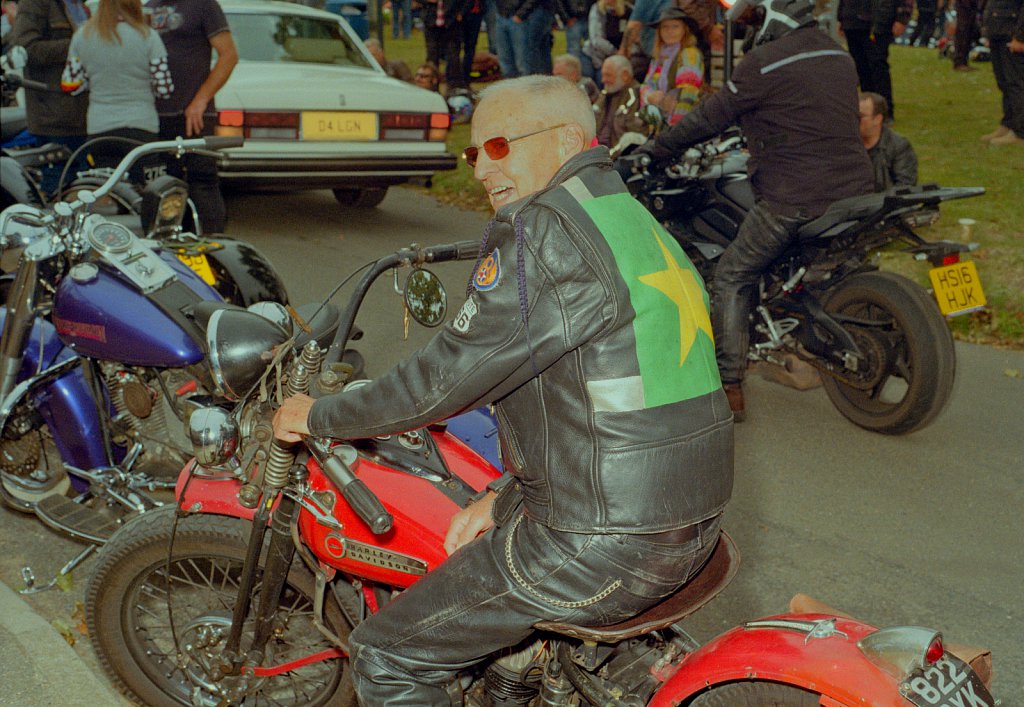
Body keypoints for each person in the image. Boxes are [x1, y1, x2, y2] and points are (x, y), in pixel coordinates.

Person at [272, 74, 733, 704]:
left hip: (599, 541)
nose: (482, 170)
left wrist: (317, 414)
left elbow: (441, 380)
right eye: (473, 153)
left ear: (567, 139)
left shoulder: (543, 229)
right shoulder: (629, 219)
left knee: (386, 655)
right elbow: (608, 401)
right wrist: (508, 492)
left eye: (499, 147)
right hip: (688, 523)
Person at [635, 0, 873, 420]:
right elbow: (805, 112)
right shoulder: (836, 52)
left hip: (795, 195)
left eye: (750, 18)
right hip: (855, 187)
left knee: (731, 275)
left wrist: (655, 150)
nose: (746, 28)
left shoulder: (763, 63)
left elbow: (708, 117)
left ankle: (729, 387)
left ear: (770, 14)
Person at [145, 0, 238, 234]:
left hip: (194, 116)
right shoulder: (148, 6)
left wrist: (201, 100)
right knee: (164, 188)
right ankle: (170, 249)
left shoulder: (204, 5)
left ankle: (212, 247)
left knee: (202, 183)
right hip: (154, 118)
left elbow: (228, 55)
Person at [60, 0, 173, 184]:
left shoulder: (83, 35)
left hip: (100, 128)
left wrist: (94, 79)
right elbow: (164, 89)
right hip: (141, 126)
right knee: (143, 190)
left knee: (107, 190)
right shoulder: (148, 36)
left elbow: (70, 85)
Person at [8, 0, 89, 196]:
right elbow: (26, 49)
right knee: (58, 190)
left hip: (85, 115)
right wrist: (78, 44)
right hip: (54, 115)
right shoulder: (36, 3)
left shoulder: (81, 5)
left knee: (84, 189)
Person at [837, 0, 912, 117]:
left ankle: (884, 110)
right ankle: (868, 109)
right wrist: (841, 17)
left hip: (878, 22)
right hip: (852, 21)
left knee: (878, 67)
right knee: (861, 68)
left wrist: (902, 18)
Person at [638, 6, 703, 125]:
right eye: (665, 27)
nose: (670, 31)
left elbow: (688, 93)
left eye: (675, 26)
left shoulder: (689, 54)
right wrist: (650, 96)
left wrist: (675, 127)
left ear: (685, 30)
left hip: (684, 123)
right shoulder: (659, 57)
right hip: (661, 122)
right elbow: (645, 86)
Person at [980, 0, 1024, 145]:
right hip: (999, 31)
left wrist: (1020, 37)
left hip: (1012, 32)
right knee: (1004, 82)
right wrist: (989, 31)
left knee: (1015, 83)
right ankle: (1009, 124)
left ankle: (1020, 131)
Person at [858, 92, 918, 189]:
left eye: (860, 116)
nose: (854, 120)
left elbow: (905, 186)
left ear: (877, 119)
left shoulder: (899, 146)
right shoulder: (844, 144)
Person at [594, 53, 648, 149]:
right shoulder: (606, 93)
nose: (603, 80)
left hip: (616, 155)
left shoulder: (636, 96)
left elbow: (633, 135)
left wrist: (609, 155)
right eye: (603, 75)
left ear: (625, 76)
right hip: (595, 150)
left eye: (608, 75)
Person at [421, 0, 469, 92]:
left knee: (453, 58)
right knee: (432, 57)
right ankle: (432, 89)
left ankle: (453, 89)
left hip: (452, 24)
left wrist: (461, 13)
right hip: (431, 23)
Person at [582, 0, 633, 83]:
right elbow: (596, 40)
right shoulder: (597, 9)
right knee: (600, 78)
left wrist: (625, 51)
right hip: (595, 56)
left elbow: (633, 34)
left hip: (620, 56)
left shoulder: (629, 10)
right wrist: (615, 52)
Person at [556, 0, 595, 78]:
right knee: (574, 51)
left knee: (592, 51)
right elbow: (559, 2)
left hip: (588, 17)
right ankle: (573, 77)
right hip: (573, 18)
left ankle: (589, 77)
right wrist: (566, 18)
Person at [952, 0, 982, 70]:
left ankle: (963, 61)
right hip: (965, 4)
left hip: (970, 5)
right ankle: (959, 62)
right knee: (963, 31)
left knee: (968, 32)